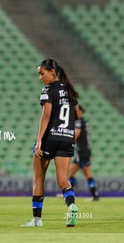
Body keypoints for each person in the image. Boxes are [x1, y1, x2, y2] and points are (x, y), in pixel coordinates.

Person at [22, 59, 80, 228]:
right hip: (67, 138)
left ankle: (37, 220)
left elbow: (46, 116)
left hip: (51, 138)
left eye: (42, 73)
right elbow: (76, 115)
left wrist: (39, 140)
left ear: (52, 72)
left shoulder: (48, 90)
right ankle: (71, 206)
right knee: (63, 180)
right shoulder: (70, 90)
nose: (40, 77)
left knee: (39, 178)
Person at [69, 104, 100, 200]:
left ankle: (94, 195)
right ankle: (70, 194)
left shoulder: (78, 121)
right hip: (85, 150)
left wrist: (69, 141)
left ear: (80, 112)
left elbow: (77, 132)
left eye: (76, 111)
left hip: (82, 151)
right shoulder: (84, 121)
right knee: (73, 172)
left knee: (86, 173)